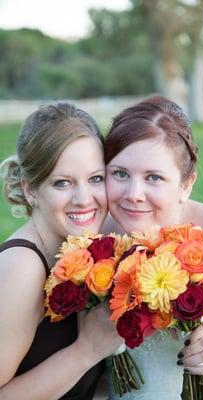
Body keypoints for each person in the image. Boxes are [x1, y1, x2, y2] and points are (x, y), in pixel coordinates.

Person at [102, 95, 203, 400]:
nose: (134, 194)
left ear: (186, 183)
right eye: (120, 174)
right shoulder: (96, 245)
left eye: (154, 177)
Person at [0, 103, 123, 400]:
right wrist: (88, 350)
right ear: (30, 189)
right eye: (62, 183)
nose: (84, 199)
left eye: (95, 179)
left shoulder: (82, 247)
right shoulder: (22, 267)